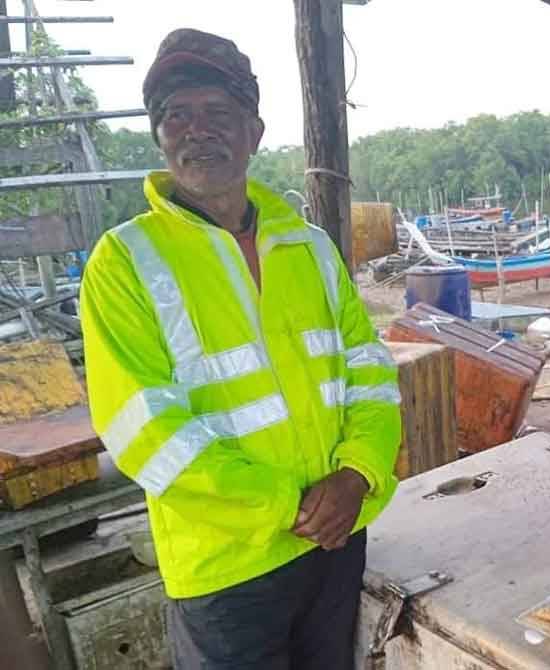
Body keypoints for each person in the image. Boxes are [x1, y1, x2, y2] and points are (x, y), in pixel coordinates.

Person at [80, 29, 401, 669]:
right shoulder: (125, 261)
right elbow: (143, 429)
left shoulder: (309, 246)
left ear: (253, 133)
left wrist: (358, 472)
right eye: (177, 116)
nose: (198, 131)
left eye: (218, 114)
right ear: (159, 138)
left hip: (335, 541)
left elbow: (370, 372)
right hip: (226, 565)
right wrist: (291, 506)